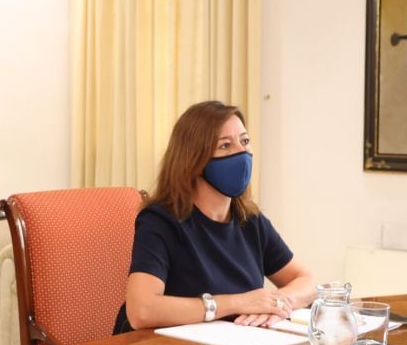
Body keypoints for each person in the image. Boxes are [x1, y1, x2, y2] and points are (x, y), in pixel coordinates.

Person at [114, 100, 315, 333]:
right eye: (225, 145)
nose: (241, 153)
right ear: (194, 160)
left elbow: (306, 280)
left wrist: (276, 302)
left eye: (245, 141)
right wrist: (238, 302)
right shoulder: (160, 221)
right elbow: (142, 312)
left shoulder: (249, 219)